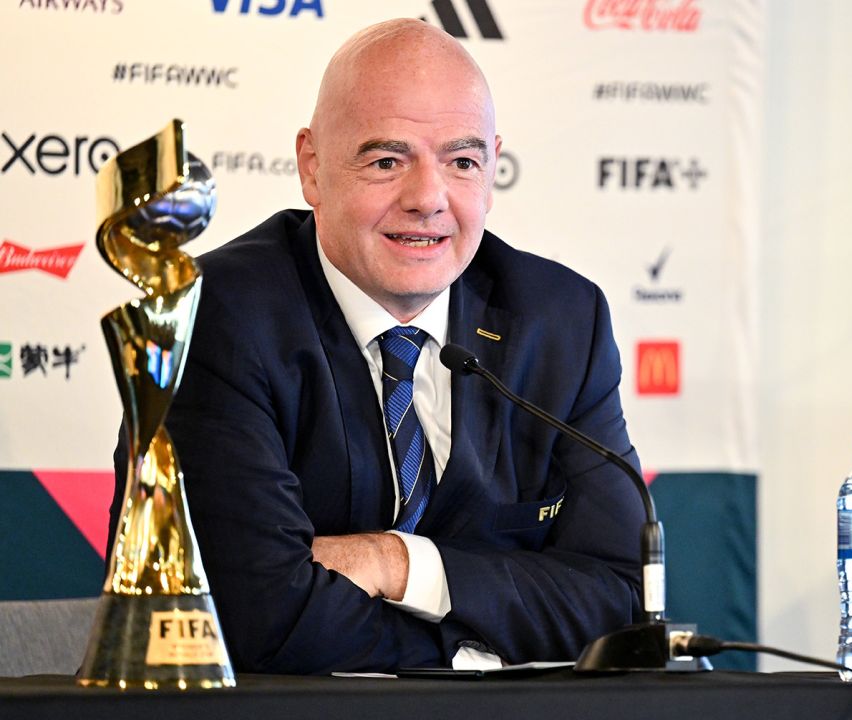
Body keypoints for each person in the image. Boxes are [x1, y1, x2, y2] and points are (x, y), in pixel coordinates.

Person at [107, 18, 645, 674]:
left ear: (492, 169)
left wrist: (396, 563)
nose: (427, 198)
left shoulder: (561, 321)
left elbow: (624, 599)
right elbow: (258, 618)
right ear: (312, 167)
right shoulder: (222, 315)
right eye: (386, 161)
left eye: (461, 162)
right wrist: (477, 650)